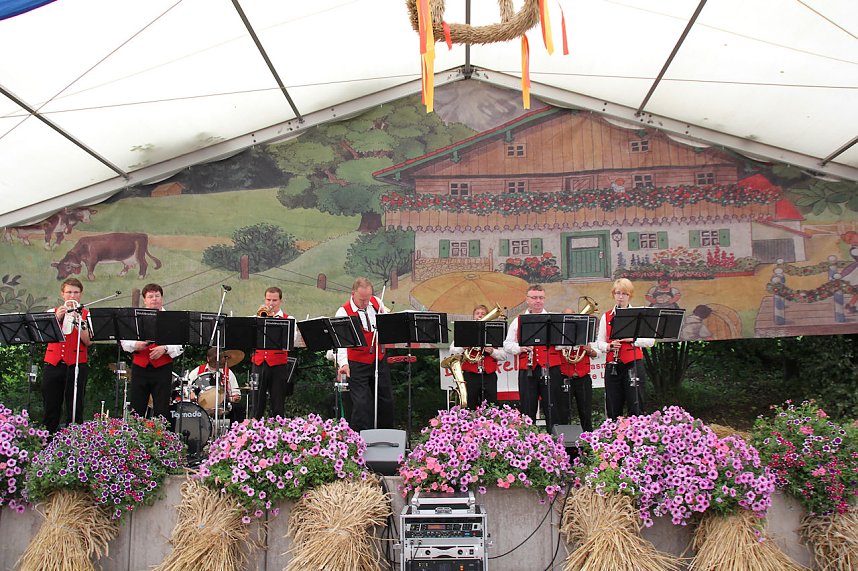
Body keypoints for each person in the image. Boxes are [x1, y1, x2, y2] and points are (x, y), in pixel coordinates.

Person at [503, 284, 568, 434]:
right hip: (528, 369)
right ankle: (529, 442)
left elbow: (561, 345)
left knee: (553, 406)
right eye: (534, 298)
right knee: (528, 407)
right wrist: (520, 348)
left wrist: (558, 343)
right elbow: (507, 344)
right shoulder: (518, 320)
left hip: (551, 368)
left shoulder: (553, 319)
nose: (538, 301)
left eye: (540, 298)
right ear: (527, 300)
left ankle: (555, 442)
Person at [335, 277, 393, 432]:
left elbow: (386, 318)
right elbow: (341, 343)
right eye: (362, 300)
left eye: (368, 298)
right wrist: (344, 364)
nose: (366, 303)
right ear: (353, 294)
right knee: (362, 403)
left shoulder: (375, 302)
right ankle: (360, 439)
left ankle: (385, 436)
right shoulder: (343, 312)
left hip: (378, 359)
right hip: (357, 362)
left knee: (385, 399)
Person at [121, 283, 183, 421]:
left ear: (162, 298)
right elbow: (125, 342)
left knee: (162, 409)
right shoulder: (136, 318)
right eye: (150, 296)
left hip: (162, 368)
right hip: (140, 367)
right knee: (137, 408)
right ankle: (135, 438)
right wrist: (136, 344)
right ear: (145, 300)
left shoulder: (171, 318)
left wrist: (165, 348)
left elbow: (180, 345)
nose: (154, 299)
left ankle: (161, 439)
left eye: (157, 296)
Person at [596, 278, 655, 420]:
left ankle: (635, 436)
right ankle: (613, 436)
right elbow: (599, 342)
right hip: (613, 365)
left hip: (633, 363)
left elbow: (651, 341)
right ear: (613, 295)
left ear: (630, 295)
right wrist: (609, 346)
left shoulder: (638, 314)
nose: (620, 297)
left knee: (635, 403)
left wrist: (633, 340)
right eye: (617, 293)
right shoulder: (607, 316)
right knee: (613, 404)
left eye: (624, 294)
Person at [42, 278, 92, 433]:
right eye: (69, 292)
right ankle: (48, 439)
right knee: (51, 405)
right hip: (54, 364)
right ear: (62, 294)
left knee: (75, 406)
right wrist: (57, 318)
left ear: (81, 294)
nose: (72, 295)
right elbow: (45, 336)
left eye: (76, 292)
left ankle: (74, 441)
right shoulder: (52, 312)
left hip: (77, 364)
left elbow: (88, 341)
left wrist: (80, 321)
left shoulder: (86, 314)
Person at [449, 304, 508, 409]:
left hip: (489, 375)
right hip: (470, 374)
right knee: (470, 404)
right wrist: (463, 346)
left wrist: (492, 351)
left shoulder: (494, 332)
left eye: (483, 314)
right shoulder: (465, 331)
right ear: (473, 316)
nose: (480, 316)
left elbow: (504, 356)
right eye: (477, 313)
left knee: (491, 405)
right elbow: (453, 351)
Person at [250, 286, 296, 419]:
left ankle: (278, 432)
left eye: (274, 300)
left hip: (278, 366)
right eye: (268, 300)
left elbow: (290, 341)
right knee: (257, 404)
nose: (271, 304)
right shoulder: (256, 317)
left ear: (281, 301)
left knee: (277, 403)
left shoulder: (289, 319)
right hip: (258, 363)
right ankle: (253, 432)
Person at [558, 307, 598, 433]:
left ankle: (589, 441)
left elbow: (596, 353)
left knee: (585, 412)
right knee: (563, 412)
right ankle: (563, 443)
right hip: (564, 376)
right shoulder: (558, 334)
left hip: (583, 377)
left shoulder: (586, 334)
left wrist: (588, 349)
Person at [187, 347, 243, 422]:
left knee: (238, 408)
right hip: (202, 405)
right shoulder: (198, 371)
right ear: (208, 358)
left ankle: (235, 431)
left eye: (218, 358)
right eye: (215, 358)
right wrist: (190, 393)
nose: (216, 361)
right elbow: (186, 386)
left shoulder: (227, 372)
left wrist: (235, 397)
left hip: (222, 405)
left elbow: (235, 391)